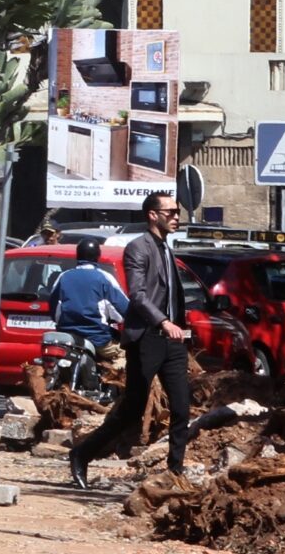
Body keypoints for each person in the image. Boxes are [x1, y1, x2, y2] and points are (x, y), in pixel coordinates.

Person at [70, 192, 195, 488]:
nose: (176, 216)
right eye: (171, 211)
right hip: (147, 338)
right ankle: (81, 454)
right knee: (132, 409)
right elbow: (138, 295)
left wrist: (179, 326)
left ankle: (175, 472)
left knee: (181, 408)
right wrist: (163, 322)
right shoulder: (138, 248)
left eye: (178, 211)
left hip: (172, 342)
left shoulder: (166, 249)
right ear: (153, 215)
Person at [48, 239, 128, 355]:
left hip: (66, 340)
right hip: (98, 340)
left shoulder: (63, 277)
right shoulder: (104, 277)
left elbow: (54, 310)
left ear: (78, 255)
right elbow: (123, 310)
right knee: (125, 360)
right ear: (97, 256)